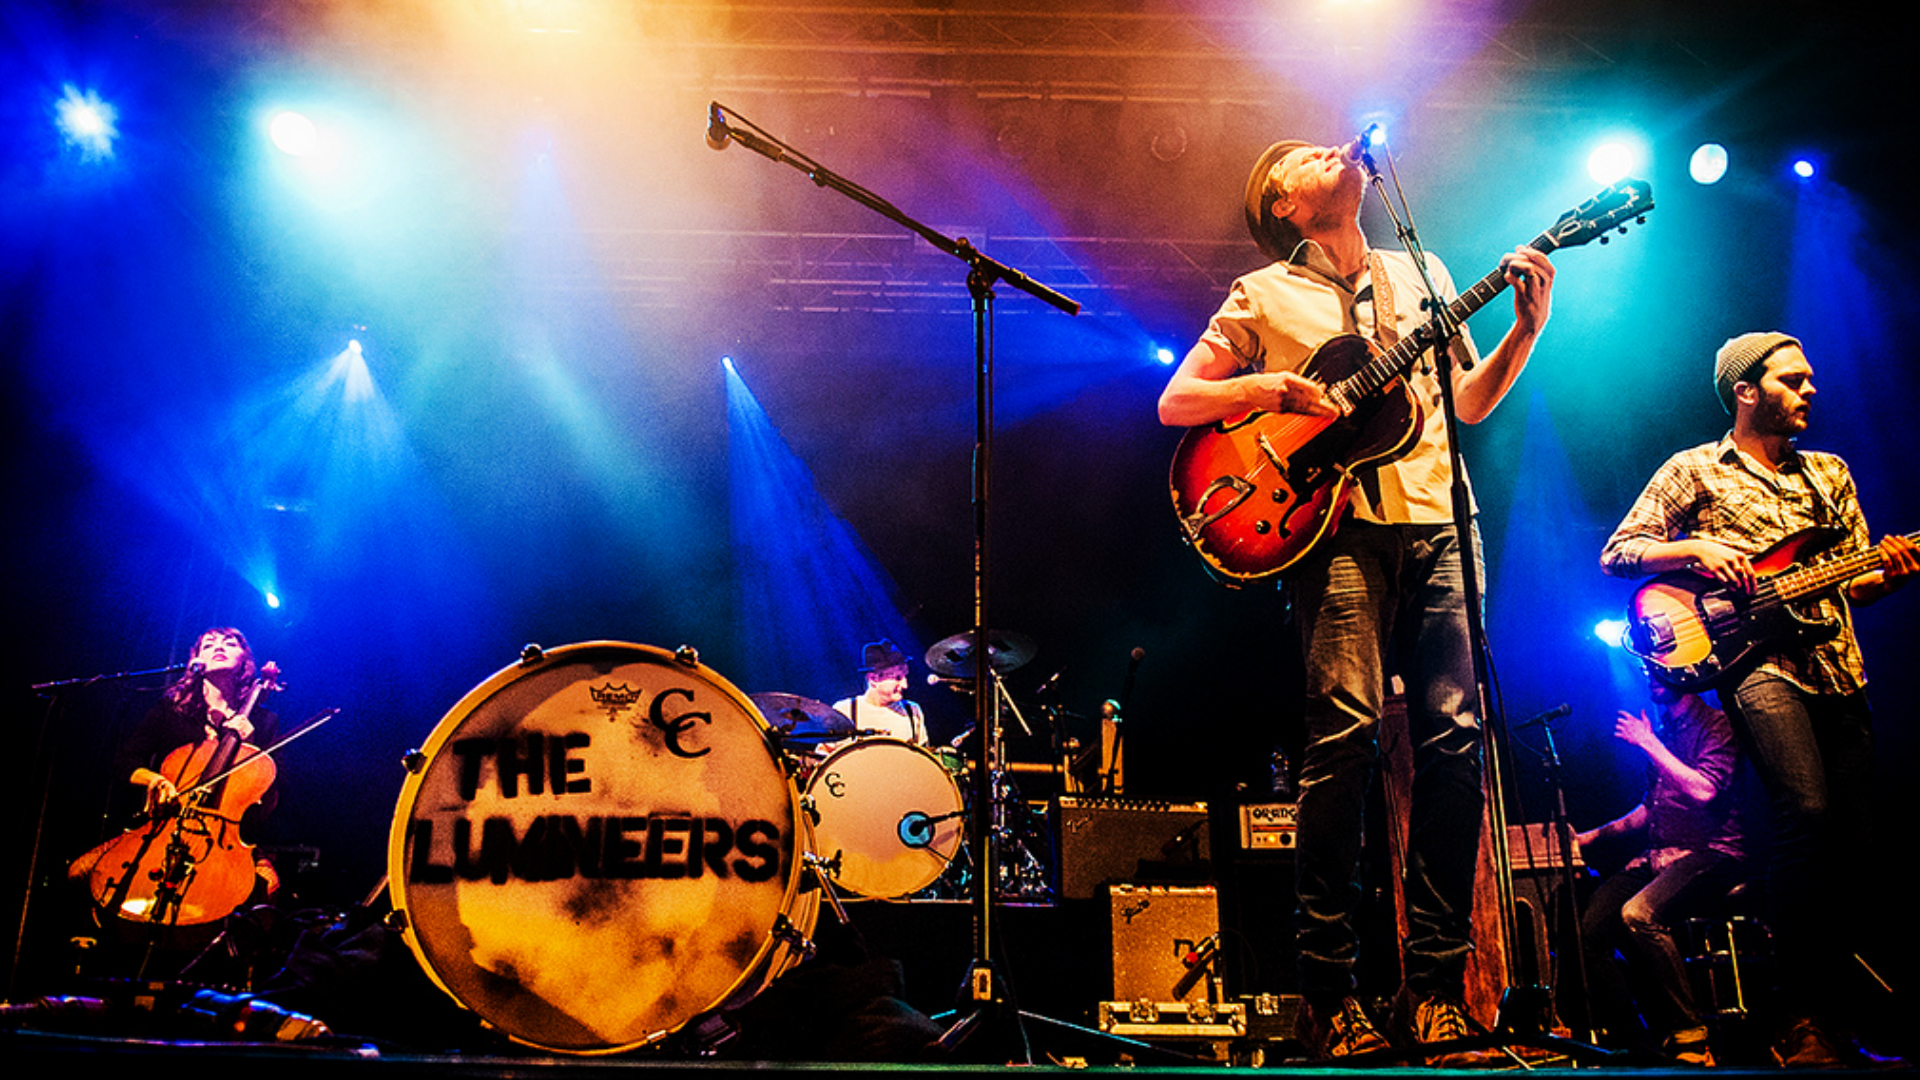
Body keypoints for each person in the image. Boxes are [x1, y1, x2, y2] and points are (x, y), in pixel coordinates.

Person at [1159, 138, 1555, 1059]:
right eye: (1301, 156)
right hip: (1333, 532)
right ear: (1284, 206)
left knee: (1456, 741)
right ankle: (1327, 994)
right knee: (1343, 740)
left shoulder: (1426, 272)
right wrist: (1268, 386)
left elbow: (1468, 401)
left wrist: (1524, 332)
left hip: (1442, 524)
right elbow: (1179, 402)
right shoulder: (1262, 295)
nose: (1332, 150)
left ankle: (1436, 991)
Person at [1600, 332, 1918, 1066]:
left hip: (1839, 668)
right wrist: (1695, 551)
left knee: (1857, 844)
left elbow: (1856, 580)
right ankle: (1796, 1017)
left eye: (1811, 380)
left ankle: (1834, 1019)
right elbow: (1619, 551)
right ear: (1746, 390)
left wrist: (1892, 571)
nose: (1810, 390)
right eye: (1792, 380)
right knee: (1804, 814)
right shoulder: (1695, 469)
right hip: (1756, 665)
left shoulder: (1829, 475)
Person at [1575, 678, 1757, 1061]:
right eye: (1647, 671)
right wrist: (1585, 839)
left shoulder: (1717, 725)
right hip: (1661, 858)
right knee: (1589, 932)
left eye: (1659, 670)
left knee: (1638, 914)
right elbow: (1648, 811)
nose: (1651, 678)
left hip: (1714, 854)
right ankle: (1639, 1048)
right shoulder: (1664, 732)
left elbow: (1704, 790)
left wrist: (1648, 744)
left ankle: (1691, 1034)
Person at [111, 626, 283, 898]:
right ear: (196, 661)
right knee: (80, 872)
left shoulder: (262, 721)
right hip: (160, 828)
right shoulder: (170, 709)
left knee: (265, 890)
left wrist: (252, 747)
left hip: (227, 838)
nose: (219, 646)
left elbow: (270, 797)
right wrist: (154, 779)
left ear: (244, 662)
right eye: (209, 643)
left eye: (230, 643)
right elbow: (125, 761)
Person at [831, 639, 928, 746]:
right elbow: (822, 758)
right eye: (897, 677)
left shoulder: (912, 711)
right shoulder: (844, 711)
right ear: (873, 679)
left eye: (905, 675)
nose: (905, 685)